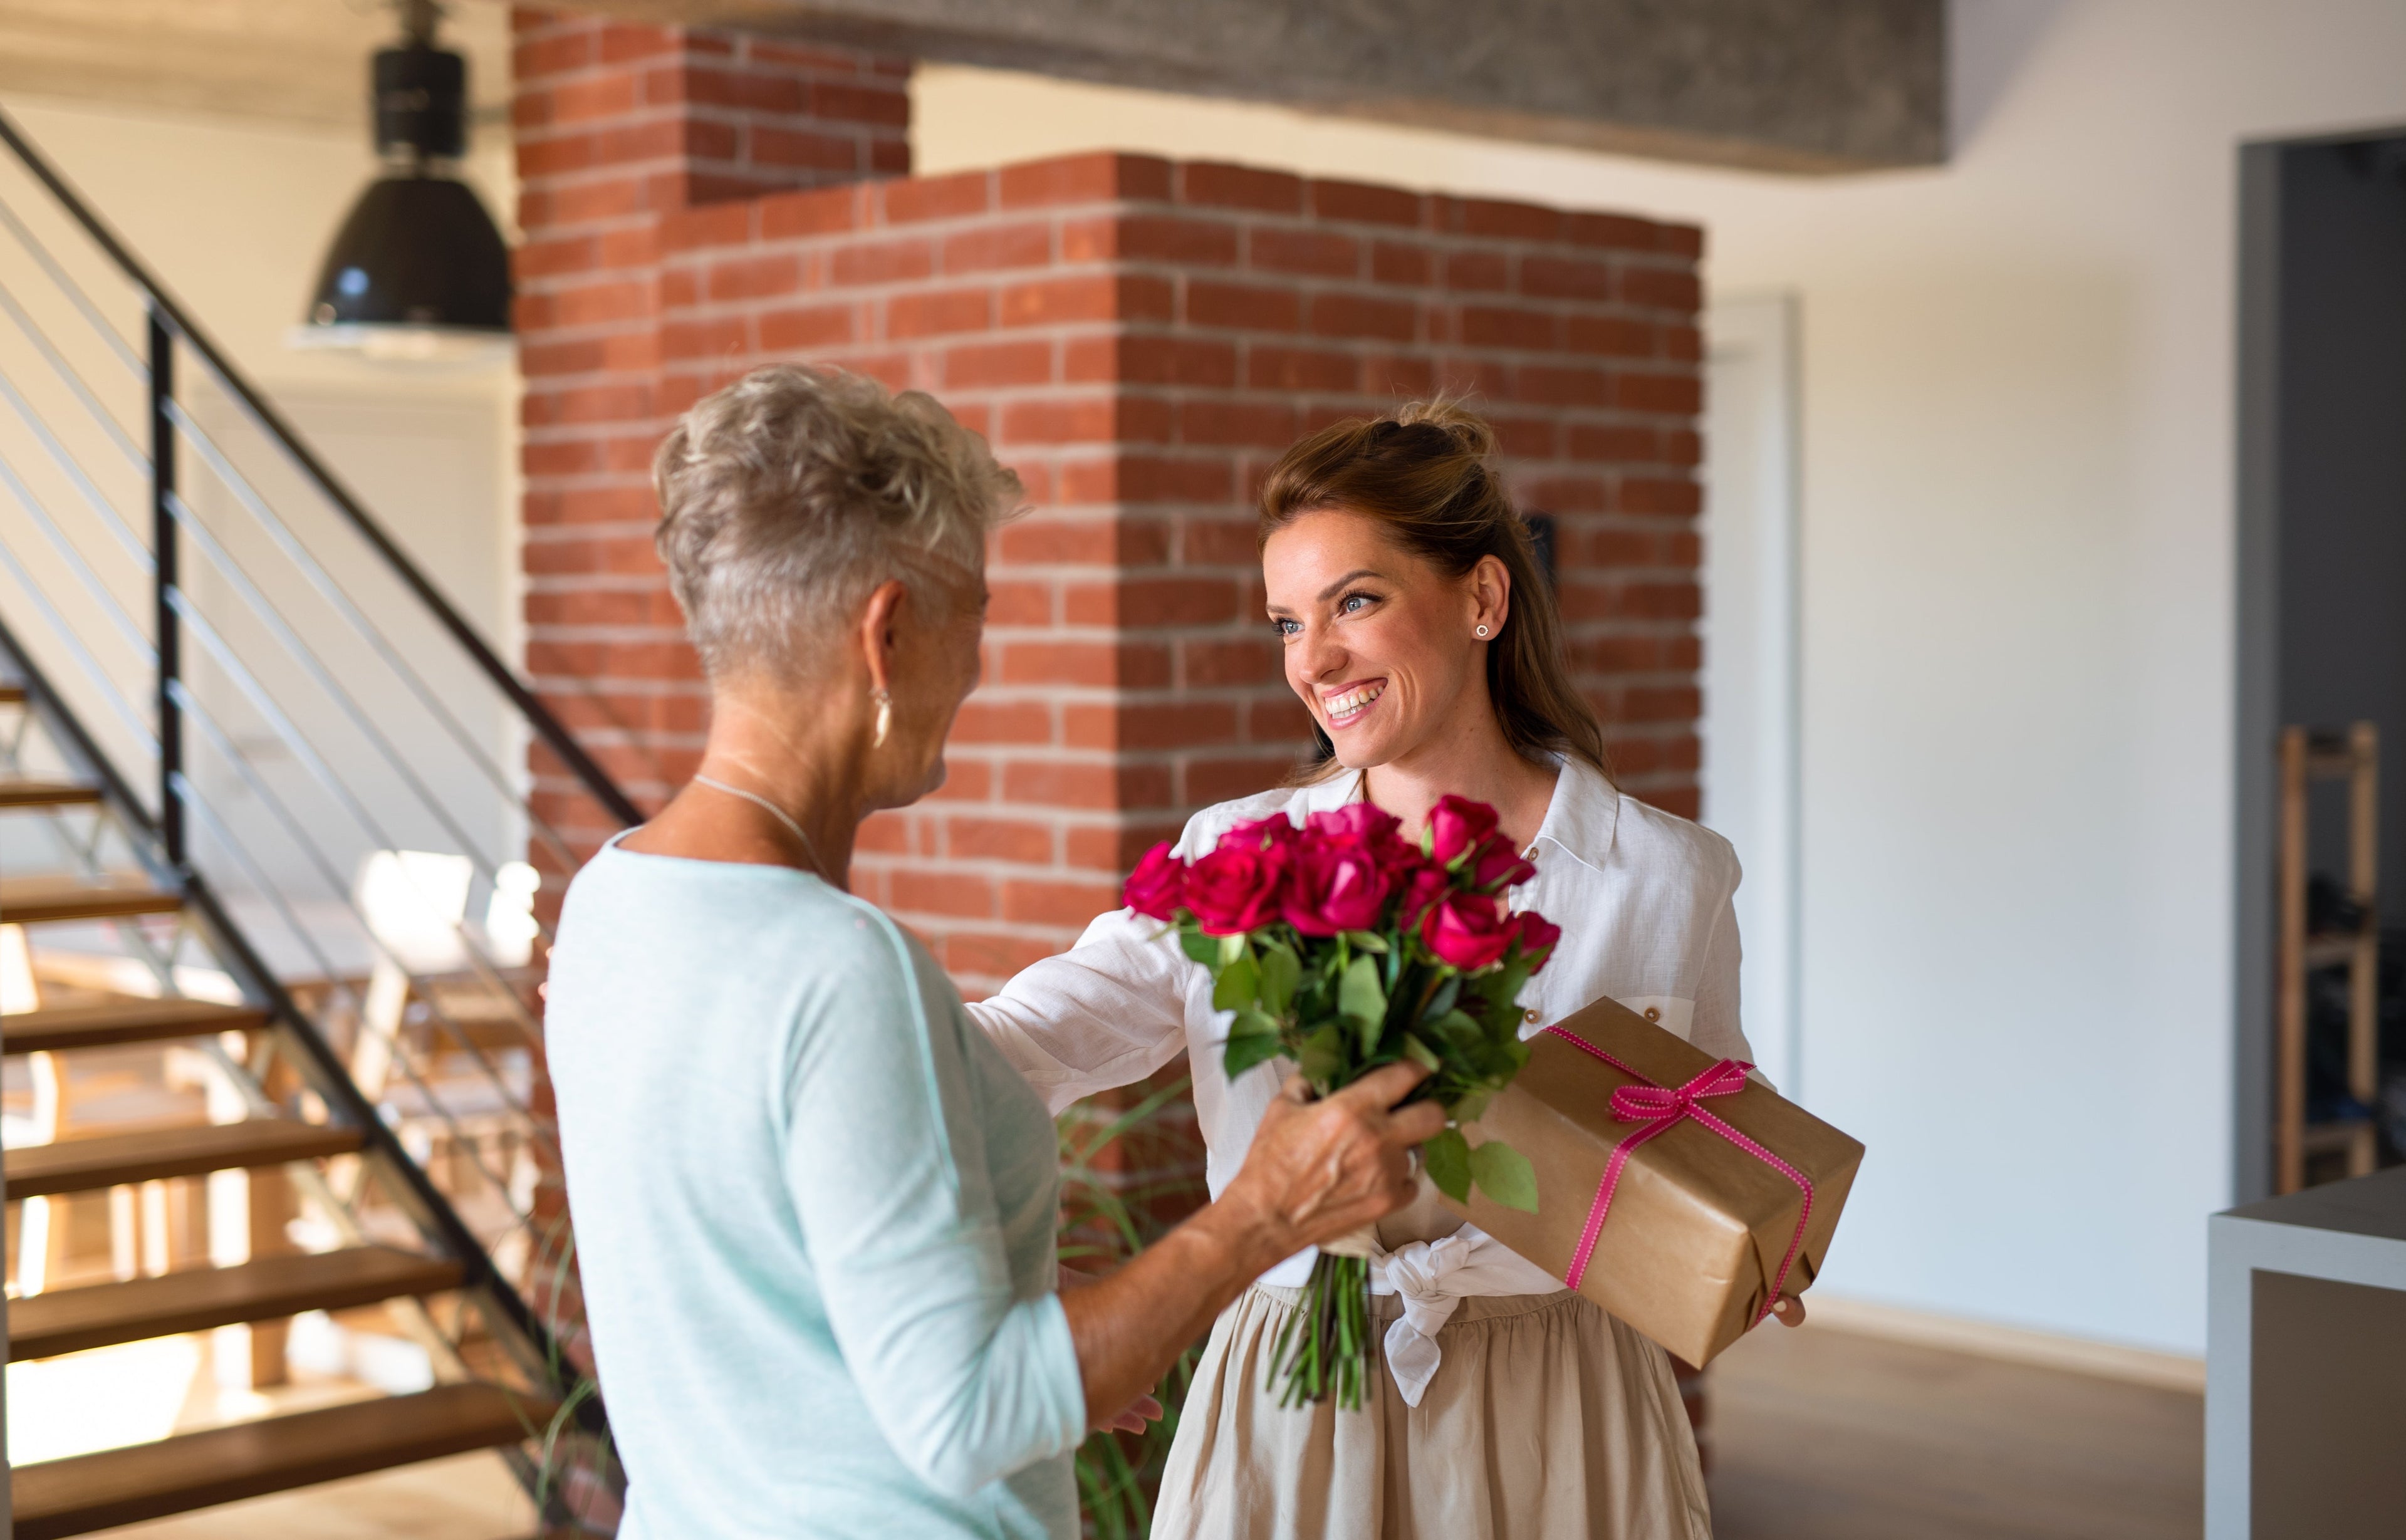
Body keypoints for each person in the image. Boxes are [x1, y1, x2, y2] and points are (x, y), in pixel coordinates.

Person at [543, 365, 1445, 1540]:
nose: (977, 661)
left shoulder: (610, 902)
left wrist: (1050, 1310)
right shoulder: (840, 968)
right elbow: (971, 1413)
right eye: (972, 607)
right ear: (888, 631)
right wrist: (1263, 1213)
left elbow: (764, 1286)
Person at [969, 402, 1803, 1540]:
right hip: (1294, 1401)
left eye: (1353, 602)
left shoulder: (1667, 876)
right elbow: (1021, 1045)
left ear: (1483, 599)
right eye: (1285, 622)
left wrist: (1759, 1233)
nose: (1313, 661)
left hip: (1568, 1403)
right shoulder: (1237, 858)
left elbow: (1710, 1115)